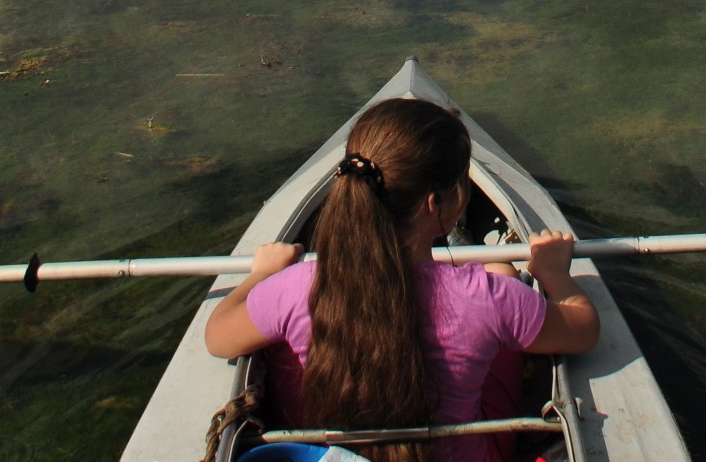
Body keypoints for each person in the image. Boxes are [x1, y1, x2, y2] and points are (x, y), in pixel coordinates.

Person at [205, 97, 599, 462]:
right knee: (503, 271)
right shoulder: (489, 296)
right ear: (437, 204)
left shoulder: (296, 287)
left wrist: (260, 276)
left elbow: (217, 335)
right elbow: (583, 329)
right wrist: (553, 274)